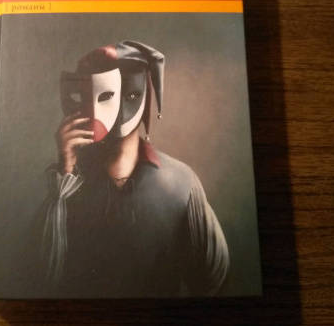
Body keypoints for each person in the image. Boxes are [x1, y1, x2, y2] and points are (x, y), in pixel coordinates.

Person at [34, 40, 229, 297]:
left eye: (126, 95)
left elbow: (213, 277)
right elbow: (39, 275)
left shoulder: (180, 184)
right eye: (87, 95)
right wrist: (65, 174)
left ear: (137, 96)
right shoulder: (67, 183)